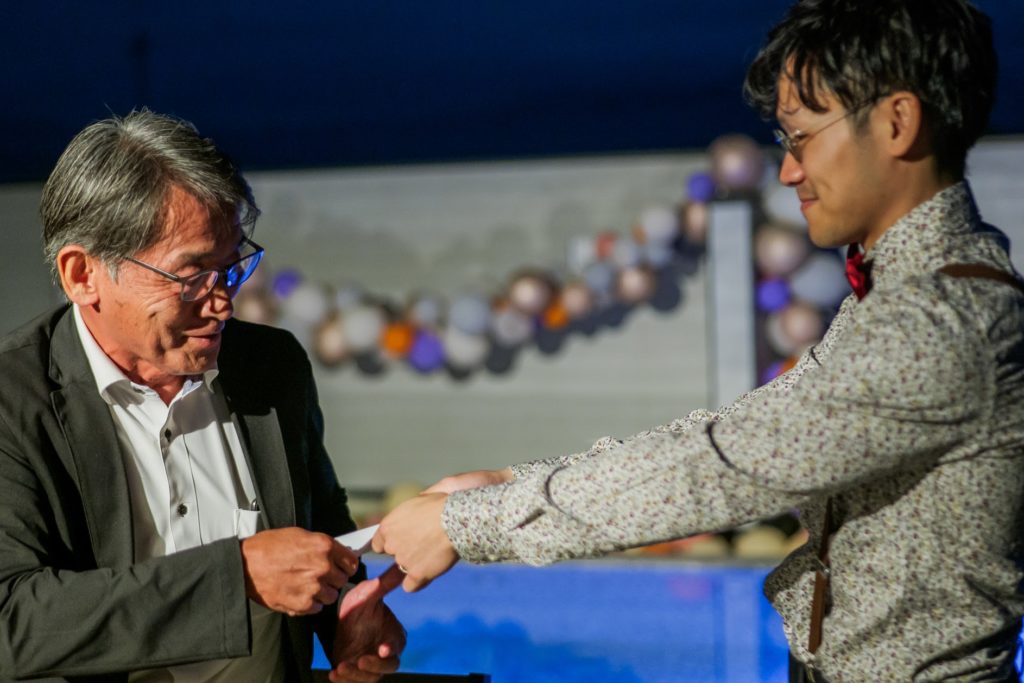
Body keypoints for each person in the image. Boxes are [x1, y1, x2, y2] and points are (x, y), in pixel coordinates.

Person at [372, 0, 1024, 680]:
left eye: (801, 137)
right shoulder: (907, 295)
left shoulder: (940, 322)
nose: (788, 171)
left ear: (897, 122)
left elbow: (720, 470)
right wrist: (510, 481)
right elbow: (736, 433)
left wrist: (469, 522)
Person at [0, 110, 404, 683]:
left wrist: (348, 614)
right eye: (191, 276)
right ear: (82, 275)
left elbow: (323, 524)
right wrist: (234, 578)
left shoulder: (271, 367)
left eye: (232, 266)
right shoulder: (12, 401)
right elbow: (12, 621)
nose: (223, 303)